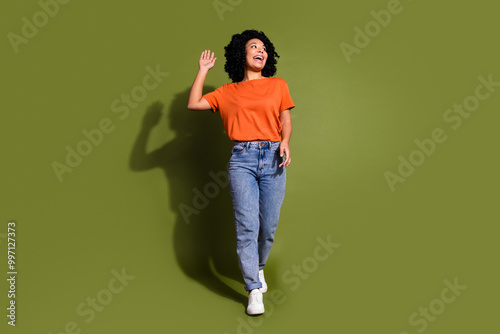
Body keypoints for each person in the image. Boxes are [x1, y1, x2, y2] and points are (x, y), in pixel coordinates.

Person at [187, 29, 294, 315]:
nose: (261, 51)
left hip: (273, 157)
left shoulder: (278, 85)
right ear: (241, 54)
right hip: (242, 160)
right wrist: (202, 71)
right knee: (247, 226)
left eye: (264, 48)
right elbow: (194, 103)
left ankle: (258, 268)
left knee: (268, 226)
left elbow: (285, 119)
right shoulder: (226, 92)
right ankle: (253, 290)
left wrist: (284, 142)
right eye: (254, 46)